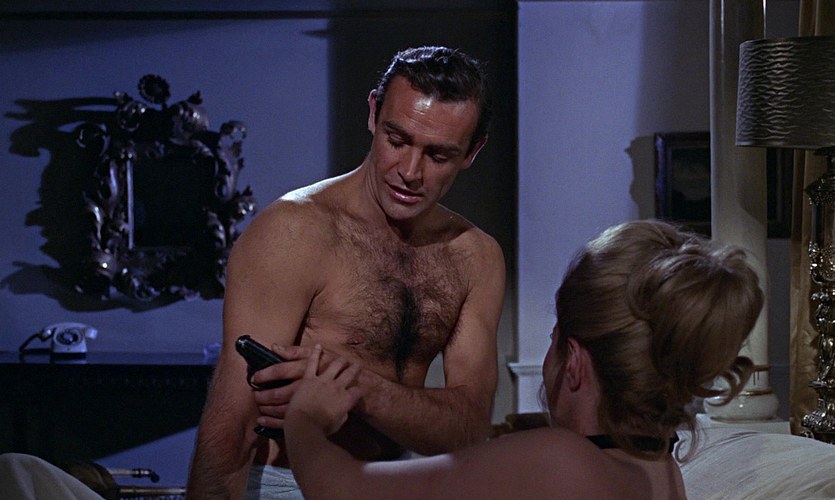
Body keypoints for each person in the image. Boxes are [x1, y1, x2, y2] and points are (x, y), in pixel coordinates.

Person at [187, 46, 506, 498]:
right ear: (373, 113)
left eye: (438, 155)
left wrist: (358, 388)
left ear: (473, 151)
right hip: (288, 485)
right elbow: (230, 425)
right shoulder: (295, 231)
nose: (410, 172)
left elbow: (469, 429)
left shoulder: (475, 257)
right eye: (397, 140)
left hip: (398, 484)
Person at [281, 219, 764, 499]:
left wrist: (305, 417)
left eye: (555, 339)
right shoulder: (661, 470)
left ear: (574, 361)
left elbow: (342, 490)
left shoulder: (562, 462)